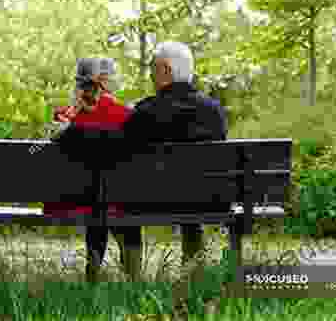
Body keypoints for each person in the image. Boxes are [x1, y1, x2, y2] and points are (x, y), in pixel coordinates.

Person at [121, 41, 228, 268]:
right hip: (207, 200)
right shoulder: (214, 111)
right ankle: (193, 274)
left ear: (166, 70)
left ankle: (133, 279)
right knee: (193, 197)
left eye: (153, 68)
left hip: (148, 202)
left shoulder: (143, 113)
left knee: (125, 202)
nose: (150, 74)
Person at [43, 57, 141, 283]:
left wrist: (72, 113)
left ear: (78, 84)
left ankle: (93, 277)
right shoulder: (126, 116)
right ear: (105, 83)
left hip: (74, 199)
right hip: (116, 200)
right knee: (112, 206)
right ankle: (134, 278)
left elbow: (45, 145)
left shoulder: (64, 118)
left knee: (97, 206)